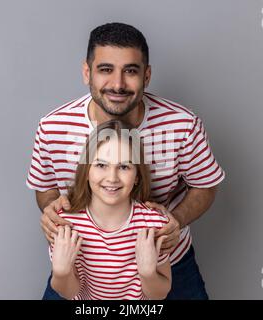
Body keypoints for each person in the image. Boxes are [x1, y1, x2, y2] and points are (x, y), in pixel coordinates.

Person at [26, 22, 225, 299]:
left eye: (130, 71)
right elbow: (45, 188)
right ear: (87, 72)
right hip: (83, 265)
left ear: (147, 75)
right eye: (105, 69)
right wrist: (51, 212)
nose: (117, 84)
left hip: (164, 260)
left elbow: (205, 185)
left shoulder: (182, 124)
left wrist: (174, 222)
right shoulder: (53, 127)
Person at [50, 119, 171, 300]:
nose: (112, 178)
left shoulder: (154, 224)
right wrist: (61, 272)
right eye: (101, 165)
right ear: (87, 170)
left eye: (124, 167)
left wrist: (148, 274)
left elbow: (160, 294)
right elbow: (69, 292)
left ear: (137, 175)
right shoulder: (66, 223)